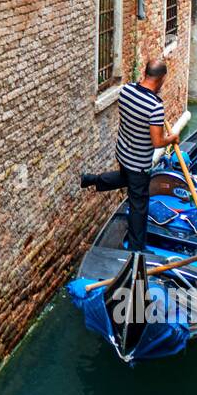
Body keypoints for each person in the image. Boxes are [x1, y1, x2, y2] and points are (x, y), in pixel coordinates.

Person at [80, 59, 181, 252]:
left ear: (145, 73)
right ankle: (137, 249)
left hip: (123, 153)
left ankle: (92, 179)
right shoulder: (155, 107)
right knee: (138, 205)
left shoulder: (126, 90)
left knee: (125, 178)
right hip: (139, 163)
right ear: (161, 79)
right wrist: (172, 138)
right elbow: (157, 142)